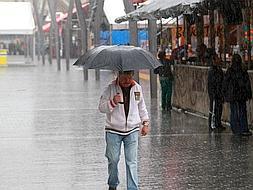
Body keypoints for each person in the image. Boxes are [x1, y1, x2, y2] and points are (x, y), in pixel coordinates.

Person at [98, 70, 149, 190]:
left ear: (132, 75)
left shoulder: (137, 88)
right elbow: (101, 107)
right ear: (118, 75)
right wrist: (113, 102)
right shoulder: (110, 88)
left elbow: (142, 107)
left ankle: (132, 188)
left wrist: (145, 123)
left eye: (129, 77)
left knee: (132, 162)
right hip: (113, 130)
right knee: (113, 160)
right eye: (124, 77)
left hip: (132, 130)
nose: (126, 80)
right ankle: (113, 184)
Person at [222, 54, 252, 136]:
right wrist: (249, 94)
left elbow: (225, 83)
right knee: (242, 111)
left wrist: (225, 93)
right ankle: (244, 128)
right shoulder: (243, 70)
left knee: (234, 111)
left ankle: (236, 129)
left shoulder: (230, 71)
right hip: (241, 94)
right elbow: (247, 83)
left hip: (233, 95)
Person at [207, 53, 225, 131]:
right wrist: (213, 93)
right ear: (213, 60)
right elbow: (212, 83)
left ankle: (218, 123)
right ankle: (213, 124)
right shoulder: (212, 70)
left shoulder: (218, 70)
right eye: (217, 58)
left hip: (219, 93)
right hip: (214, 93)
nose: (219, 59)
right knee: (214, 109)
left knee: (219, 109)